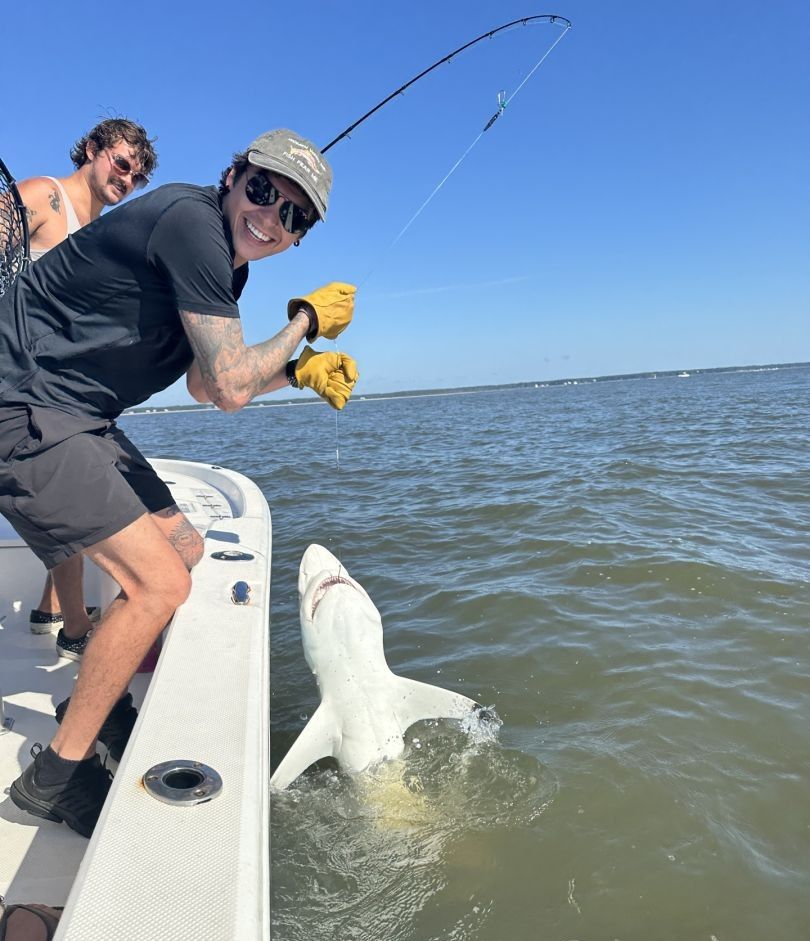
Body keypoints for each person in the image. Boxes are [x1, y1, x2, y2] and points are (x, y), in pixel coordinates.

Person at [0, 128, 359, 837]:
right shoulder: (193, 223)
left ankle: (91, 703)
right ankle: (54, 780)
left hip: (80, 414)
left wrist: (296, 370)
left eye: (293, 215)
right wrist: (306, 324)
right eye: (263, 190)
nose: (270, 216)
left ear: (300, 236)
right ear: (233, 177)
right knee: (160, 583)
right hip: (21, 401)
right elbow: (227, 385)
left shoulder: (228, 265)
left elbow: (201, 382)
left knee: (183, 547)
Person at [16, 118, 158, 655]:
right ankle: (75, 629)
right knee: (70, 499)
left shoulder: (102, 235)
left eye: (138, 176)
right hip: (18, 381)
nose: (128, 178)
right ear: (94, 150)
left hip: (62, 389)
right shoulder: (41, 196)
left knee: (67, 495)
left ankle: (51, 608)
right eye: (122, 163)